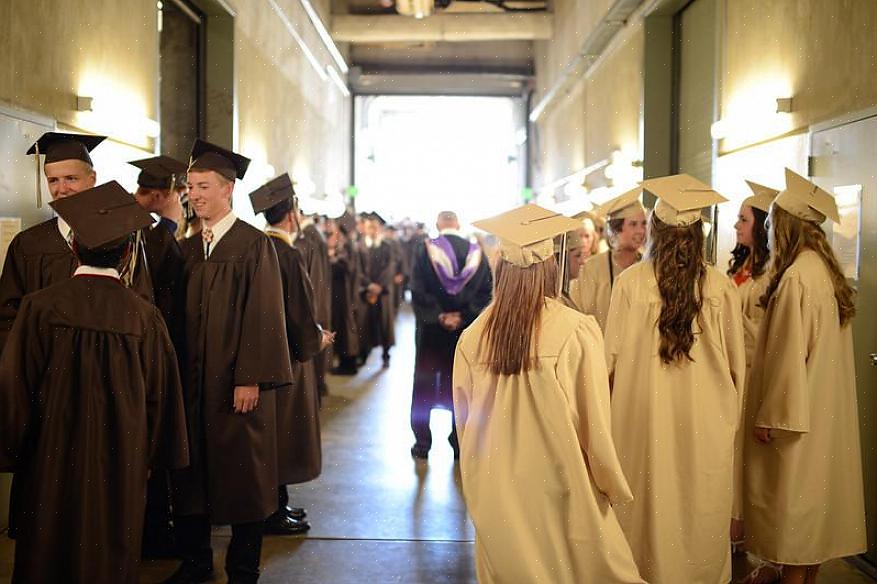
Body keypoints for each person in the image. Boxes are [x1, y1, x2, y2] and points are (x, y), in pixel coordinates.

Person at [0, 181, 188, 583]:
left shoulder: (38, 308)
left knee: (46, 549)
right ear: (126, 255)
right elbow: (160, 398)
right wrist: (151, 458)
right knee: (107, 549)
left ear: (72, 249)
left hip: (47, 456)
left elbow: (15, 388)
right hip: (119, 459)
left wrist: (14, 448)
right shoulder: (144, 317)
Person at [453, 204, 644, 584]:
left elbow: (465, 426)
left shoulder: (473, 337)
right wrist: (610, 484)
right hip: (560, 489)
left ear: (500, 267)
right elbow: (595, 428)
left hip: (498, 493)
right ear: (549, 265)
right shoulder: (574, 330)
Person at [603, 174, 745, 584]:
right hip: (705, 424)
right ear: (699, 233)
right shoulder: (719, 287)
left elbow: (607, 361)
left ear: (656, 231)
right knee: (698, 512)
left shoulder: (631, 283)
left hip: (643, 426)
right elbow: (738, 367)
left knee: (648, 519)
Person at [167, 139, 294, 584]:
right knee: (191, 473)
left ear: (228, 190)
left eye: (203, 186)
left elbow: (264, 314)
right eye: (190, 187)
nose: (194, 194)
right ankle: (196, 562)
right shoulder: (185, 250)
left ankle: (243, 568)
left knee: (244, 475)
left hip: (234, 385)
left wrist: (251, 378)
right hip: (192, 384)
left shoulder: (253, 245)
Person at [743, 169, 866, 584]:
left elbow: (787, 357)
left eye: (772, 222)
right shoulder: (824, 273)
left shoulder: (797, 277)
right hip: (821, 410)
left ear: (786, 227)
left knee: (794, 518)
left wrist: (769, 415)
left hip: (797, 416)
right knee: (812, 518)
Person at [250, 174, 333, 535]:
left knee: (269, 436)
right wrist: (317, 340)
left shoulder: (255, 247)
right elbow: (300, 312)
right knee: (282, 437)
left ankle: (277, 505)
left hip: (262, 356)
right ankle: (274, 510)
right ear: (292, 213)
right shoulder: (288, 253)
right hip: (288, 360)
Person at [129, 155, 190, 558]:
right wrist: (169, 224)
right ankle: (152, 534)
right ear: (160, 195)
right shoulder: (140, 231)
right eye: (181, 195)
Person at [409, 211, 492, 460]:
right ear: (457, 224)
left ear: (438, 224)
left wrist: (438, 316)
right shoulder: (476, 253)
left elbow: (417, 289)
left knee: (424, 385)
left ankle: (422, 443)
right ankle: (459, 443)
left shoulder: (425, 250)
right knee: (462, 385)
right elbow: (486, 292)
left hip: (431, 332)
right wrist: (464, 316)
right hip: (464, 334)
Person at [727, 180, 778, 576]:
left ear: (761, 224)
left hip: (752, 374)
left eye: (743, 219)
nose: (736, 225)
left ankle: (755, 541)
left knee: (751, 461)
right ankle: (734, 530)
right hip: (733, 375)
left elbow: (763, 332)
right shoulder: (740, 266)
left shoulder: (772, 272)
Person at [569, 187, 646, 330]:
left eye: (644, 224)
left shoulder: (648, 266)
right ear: (617, 228)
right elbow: (579, 314)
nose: (641, 231)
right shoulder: (592, 268)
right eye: (633, 224)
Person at [293, 207, 332, 398]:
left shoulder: (306, 238)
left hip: (315, 299)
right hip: (320, 296)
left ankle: (317, 387)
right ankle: (319, 385)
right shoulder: (314, 234)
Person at [358, 212, 398, 368]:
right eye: (369, 227)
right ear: (365, 229)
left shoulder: (387, 246)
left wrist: (379, 286)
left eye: (375, 227)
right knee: (365, 323)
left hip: (383, 293)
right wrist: (368, 286)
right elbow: (358, 270)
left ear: (379, 228)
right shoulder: (360, 246)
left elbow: (390, 268)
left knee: (384, 324)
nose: (372, 230)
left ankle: (386, 354)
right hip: (365, 292)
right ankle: (364, 354)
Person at [328, 212, 361, 375]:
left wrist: (332, 258)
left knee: (347, 328)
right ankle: (345, 362)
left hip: (346, 292)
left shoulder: (347, 244)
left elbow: (347, 267)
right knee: (344, 327)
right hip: (344, 292)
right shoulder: (347, 243)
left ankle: (348, 364)